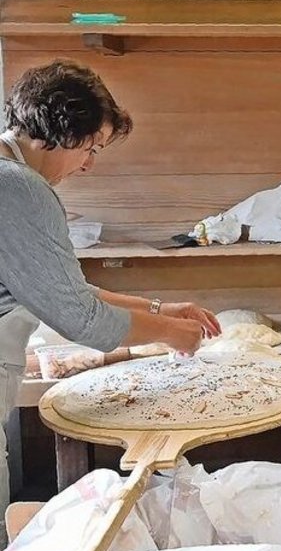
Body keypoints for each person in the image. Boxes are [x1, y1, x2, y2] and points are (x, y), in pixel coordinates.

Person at [1, 60, 220, 507]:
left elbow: (67, 290)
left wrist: (159, 310)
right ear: (62, 131)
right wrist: (170, 334)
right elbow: (81, 318)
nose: (88, 165)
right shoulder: (21, 189)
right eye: (92, 148)